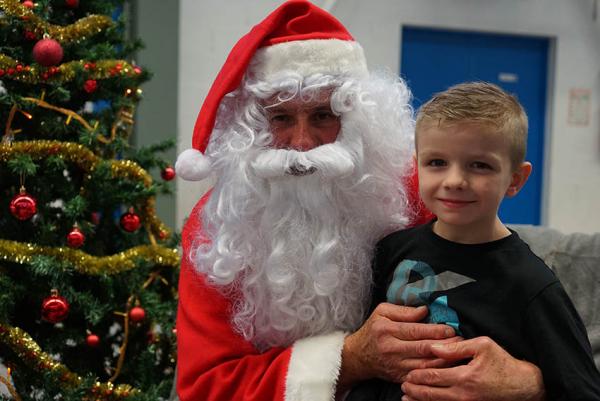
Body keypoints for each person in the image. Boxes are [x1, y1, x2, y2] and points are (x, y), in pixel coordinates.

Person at [174, 2, 548, 400]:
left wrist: (531, 381)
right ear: (252, 128)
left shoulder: (409, 191)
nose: (302, 143)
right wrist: (349, 359)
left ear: (356, 118)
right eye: (281, 118)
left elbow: (494, 294)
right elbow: (206, 385)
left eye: (323, 116)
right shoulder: (220, 224)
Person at [348, 82, 600, 401]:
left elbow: (583, 389)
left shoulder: (532, 284)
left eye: (480, 165)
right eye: (437, 162)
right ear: (417, 166)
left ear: (516, 179)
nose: (454, 181)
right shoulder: (391, 250)